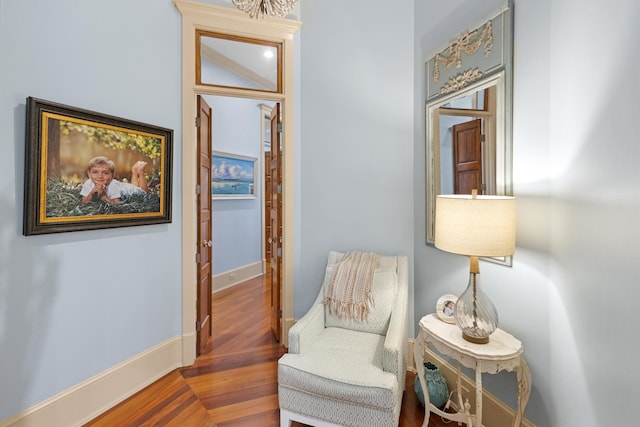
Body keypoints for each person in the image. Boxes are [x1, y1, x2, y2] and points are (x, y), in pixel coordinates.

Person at [80, 156, 149, 204]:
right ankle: (134, 172)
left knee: (143, 193)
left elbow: (116, 205)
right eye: (95, 172)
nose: (100, 176)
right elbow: (83, 202)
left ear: (113, 176)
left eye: (105, 173)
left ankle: (140, 172)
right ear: (89, 174)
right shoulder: (88, 183)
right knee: (133, 188)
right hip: (127, 188)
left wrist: (104, 196)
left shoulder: (113, 185)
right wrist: (91, 193)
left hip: (128, 189)